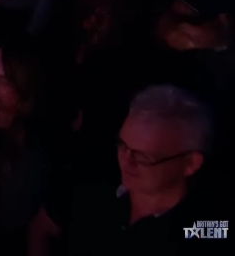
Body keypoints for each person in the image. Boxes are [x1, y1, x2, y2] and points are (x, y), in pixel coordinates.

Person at [28, 85, 228, 256]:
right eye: (123, 146)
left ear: (191, 163)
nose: (126, 161)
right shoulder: (92, 180)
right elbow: (42, 228)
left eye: (143, 156)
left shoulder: (203, 227)